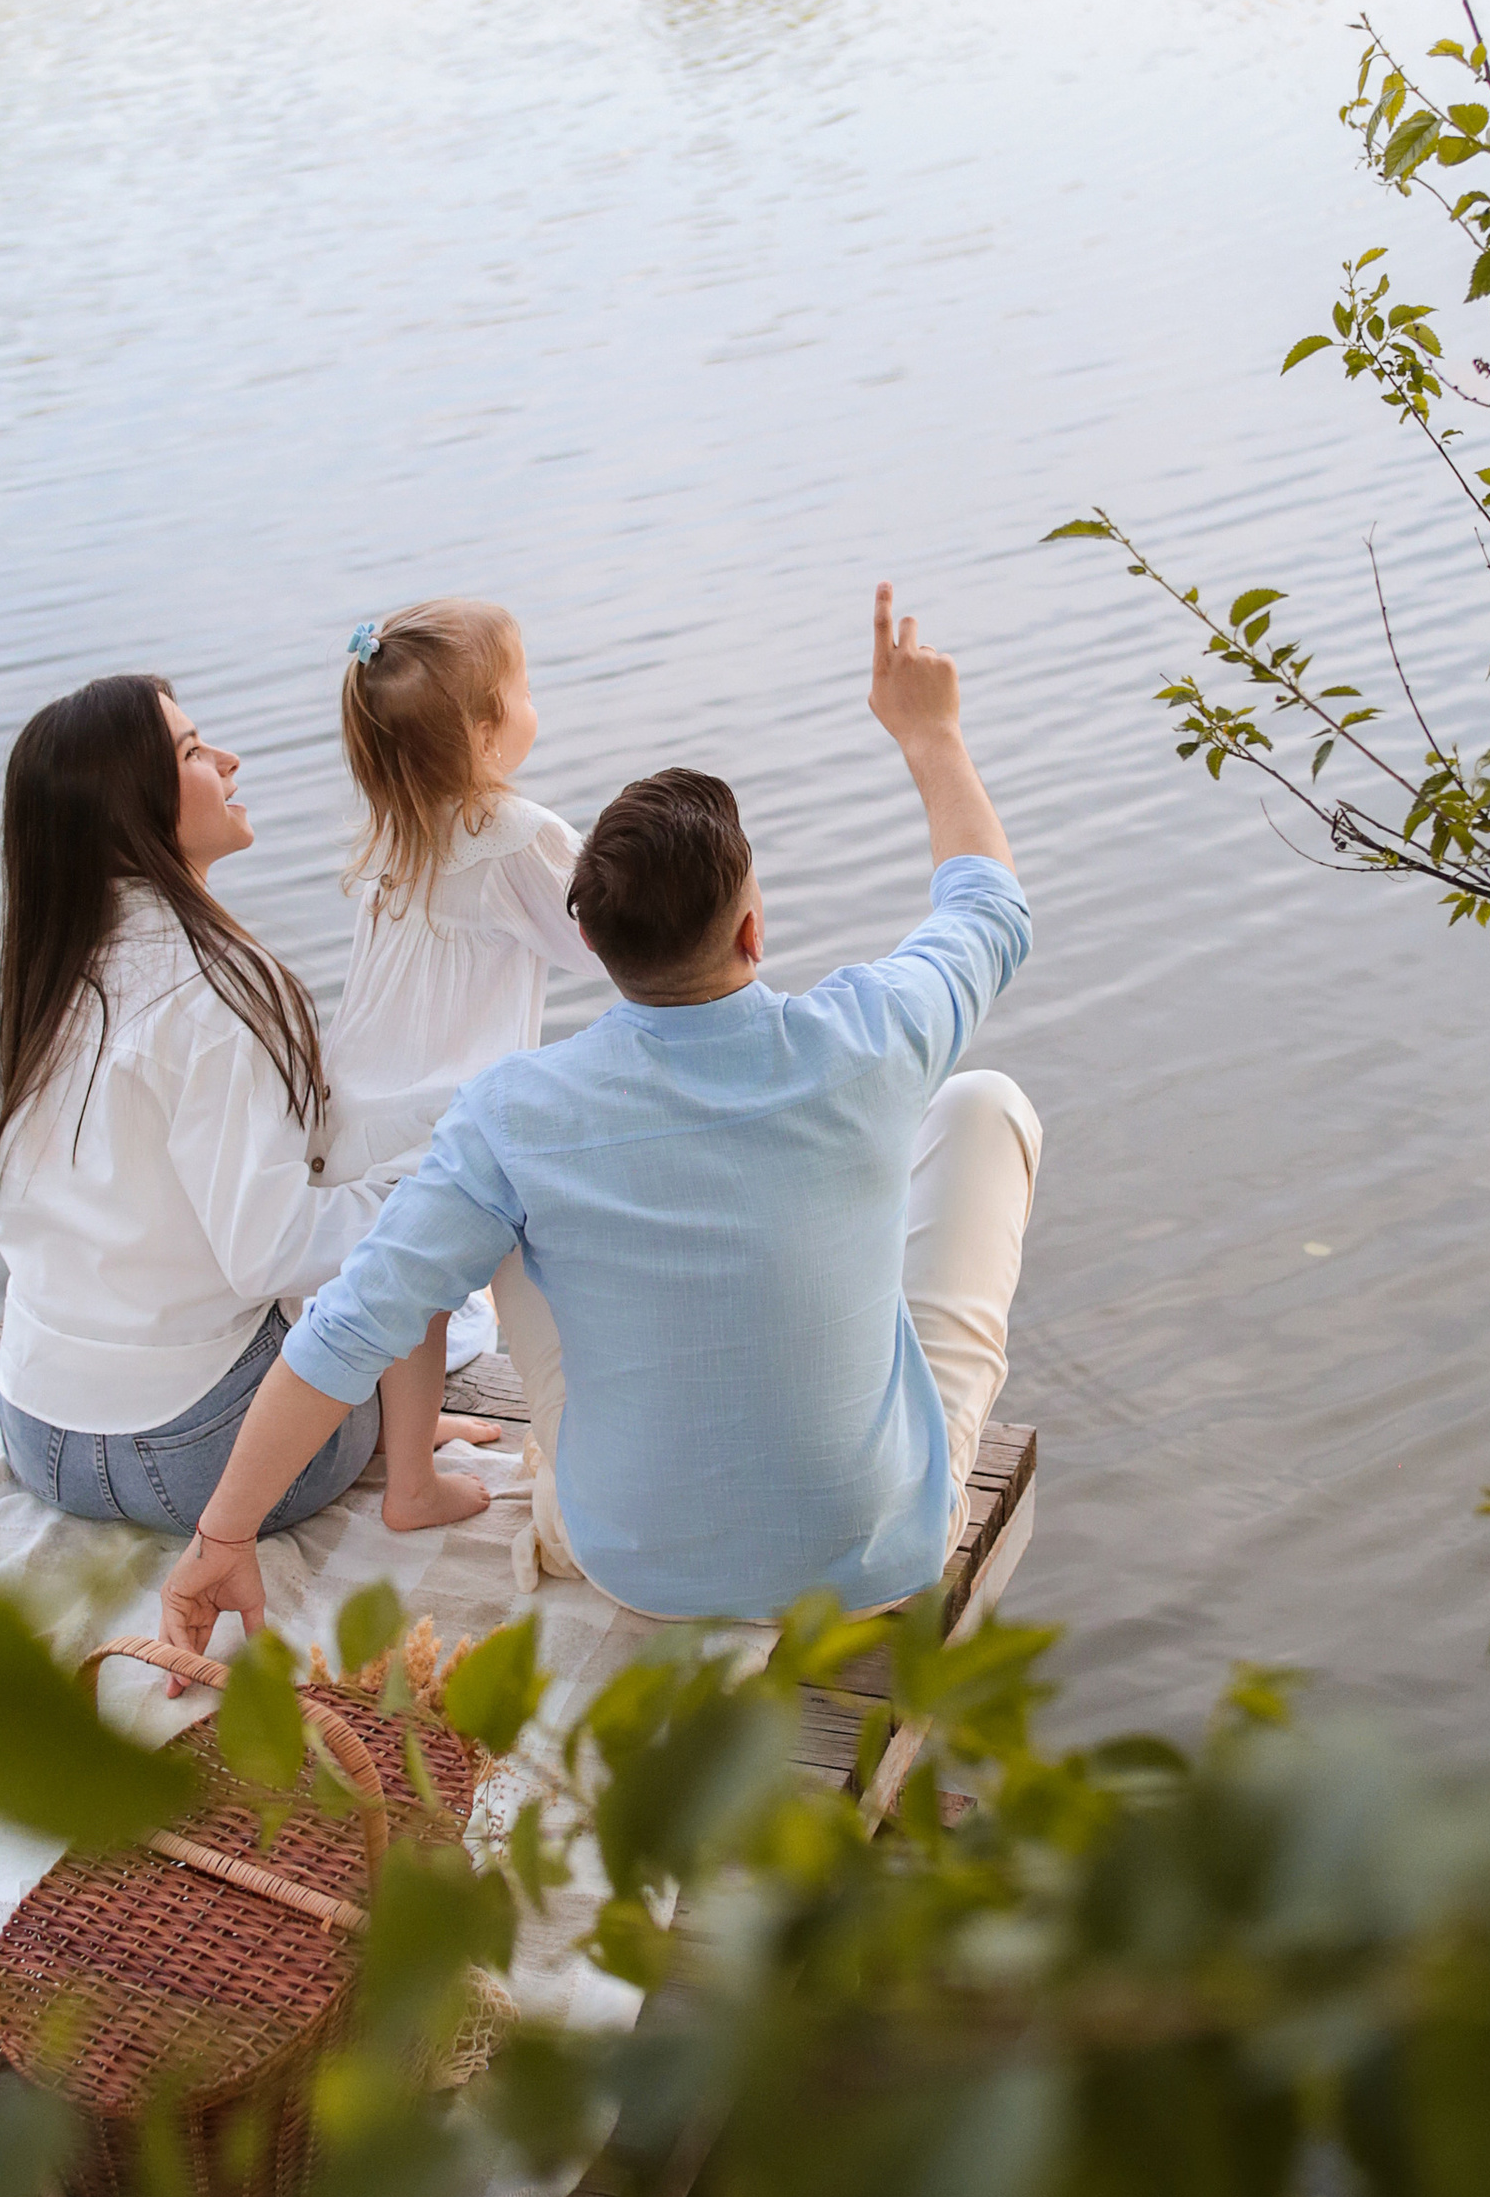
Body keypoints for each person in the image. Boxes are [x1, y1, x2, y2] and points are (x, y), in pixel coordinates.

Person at [160, 585, 1040, 1649]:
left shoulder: (512, 1112)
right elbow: (988, 906)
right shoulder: (866, 1035)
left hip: (632, 1561)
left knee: (497, 1215)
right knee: (982, 1106)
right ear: (752, 931)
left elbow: (350, 1328)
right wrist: (930, 732)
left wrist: (222, 1537)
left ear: (595, 944)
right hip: (875, 1559)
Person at [0, 673, 481, 1545]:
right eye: (191, 751)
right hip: (193, 1458)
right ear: (129, 805)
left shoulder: (55, 970)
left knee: (383, 1179)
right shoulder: (215, 989)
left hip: (37, 1432)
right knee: (420, 1205)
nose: (228, 759)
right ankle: (401, 1454)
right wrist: (427, 1189)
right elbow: (274, 1251)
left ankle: (377, 1419)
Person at [321, 599, 599, 1533]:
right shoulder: (514, 833)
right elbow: (607, 937)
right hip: (441, 1115)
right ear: (485, 730)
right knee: (461, 1277)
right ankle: (413, 1486)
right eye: (522, 687)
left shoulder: (394, 831)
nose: (532, 701)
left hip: (359, 1108)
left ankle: (411, 1432)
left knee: (414, 1298)